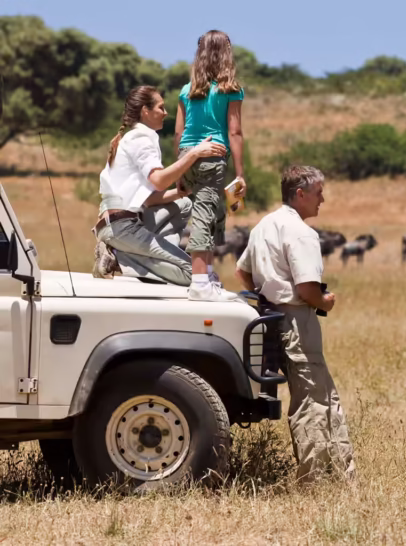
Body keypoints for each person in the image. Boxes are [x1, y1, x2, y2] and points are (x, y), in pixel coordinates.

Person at [234, 165, 356, 483]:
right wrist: (324, 302)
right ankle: (316, 478)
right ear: (300, 194)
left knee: (316, 395)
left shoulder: (264, 225)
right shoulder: (301, 232)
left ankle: (334, 472)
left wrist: (268, 293)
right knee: (313, 399)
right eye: (318, 193)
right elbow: (306, 288)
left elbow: (242, 271)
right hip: (297, 320)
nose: (323, 200)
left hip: (270, 317)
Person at [93, 85, 227, 285]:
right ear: (145, 111)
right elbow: (159, 180)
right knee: (196, 276)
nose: (166, 113)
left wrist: (180, 192)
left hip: (117, 222)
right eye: (161, 108)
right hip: (122, 227)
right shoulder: (141, 138)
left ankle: (151, 257)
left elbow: (149, 201)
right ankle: (118, 258)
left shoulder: (131, 138)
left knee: (184, 205)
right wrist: (195, 153)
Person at [175, 29, 246, 301]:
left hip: (187, 155)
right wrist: (239, 173)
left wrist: (179, 169)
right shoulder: (231, 90)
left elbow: (179, 133)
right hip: (213, 155)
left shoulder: (186, 90)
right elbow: (235, 132)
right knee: (205, 216)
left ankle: (209, 277)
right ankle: (200, 283)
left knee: (215, 213)